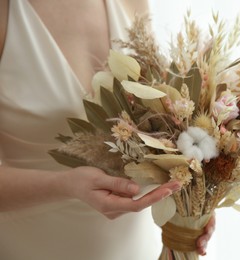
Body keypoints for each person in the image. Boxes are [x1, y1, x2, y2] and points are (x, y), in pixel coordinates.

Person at [0, 0, 214, 259]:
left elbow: (159, 119)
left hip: (138, 247)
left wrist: (191, 208)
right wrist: (64, 185)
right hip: (39, 245)